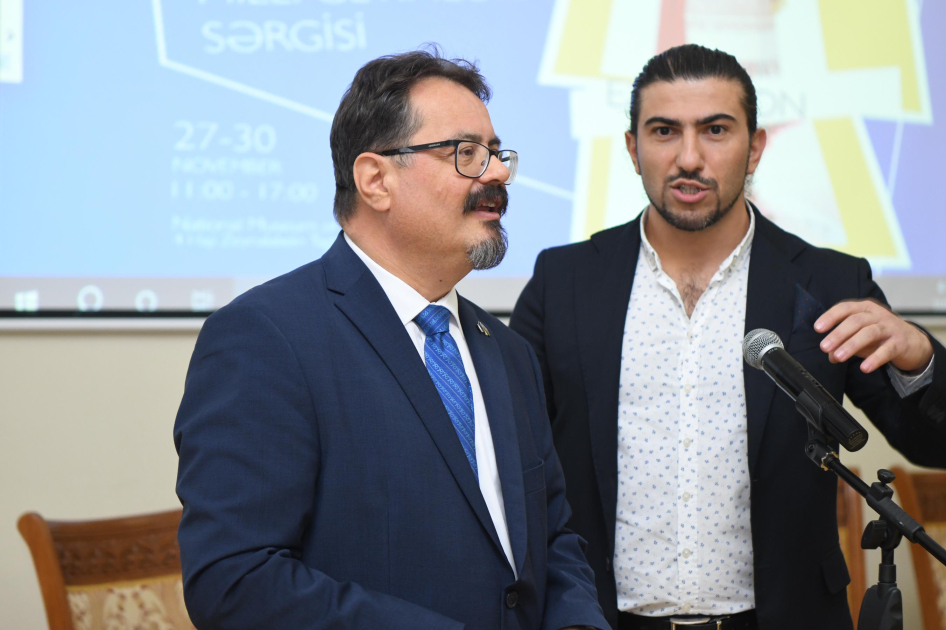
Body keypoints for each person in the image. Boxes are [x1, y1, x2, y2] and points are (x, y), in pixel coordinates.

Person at [510, 44, 946, 630]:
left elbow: (933, 447)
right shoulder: (563, 281)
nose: (689, 157)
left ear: (755, 147)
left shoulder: (829, 283)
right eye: (664, 131)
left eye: (715, 130)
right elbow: (512, 458)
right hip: (601, 619)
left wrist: (921, 361)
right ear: (633, 149)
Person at [174, 49, 608, 630]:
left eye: (496, 153)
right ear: (375, 180)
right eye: (466, 153)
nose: (498, 174)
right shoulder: (266, 338)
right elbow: (236, 581)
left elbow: (551, 539)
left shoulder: (508, 352)